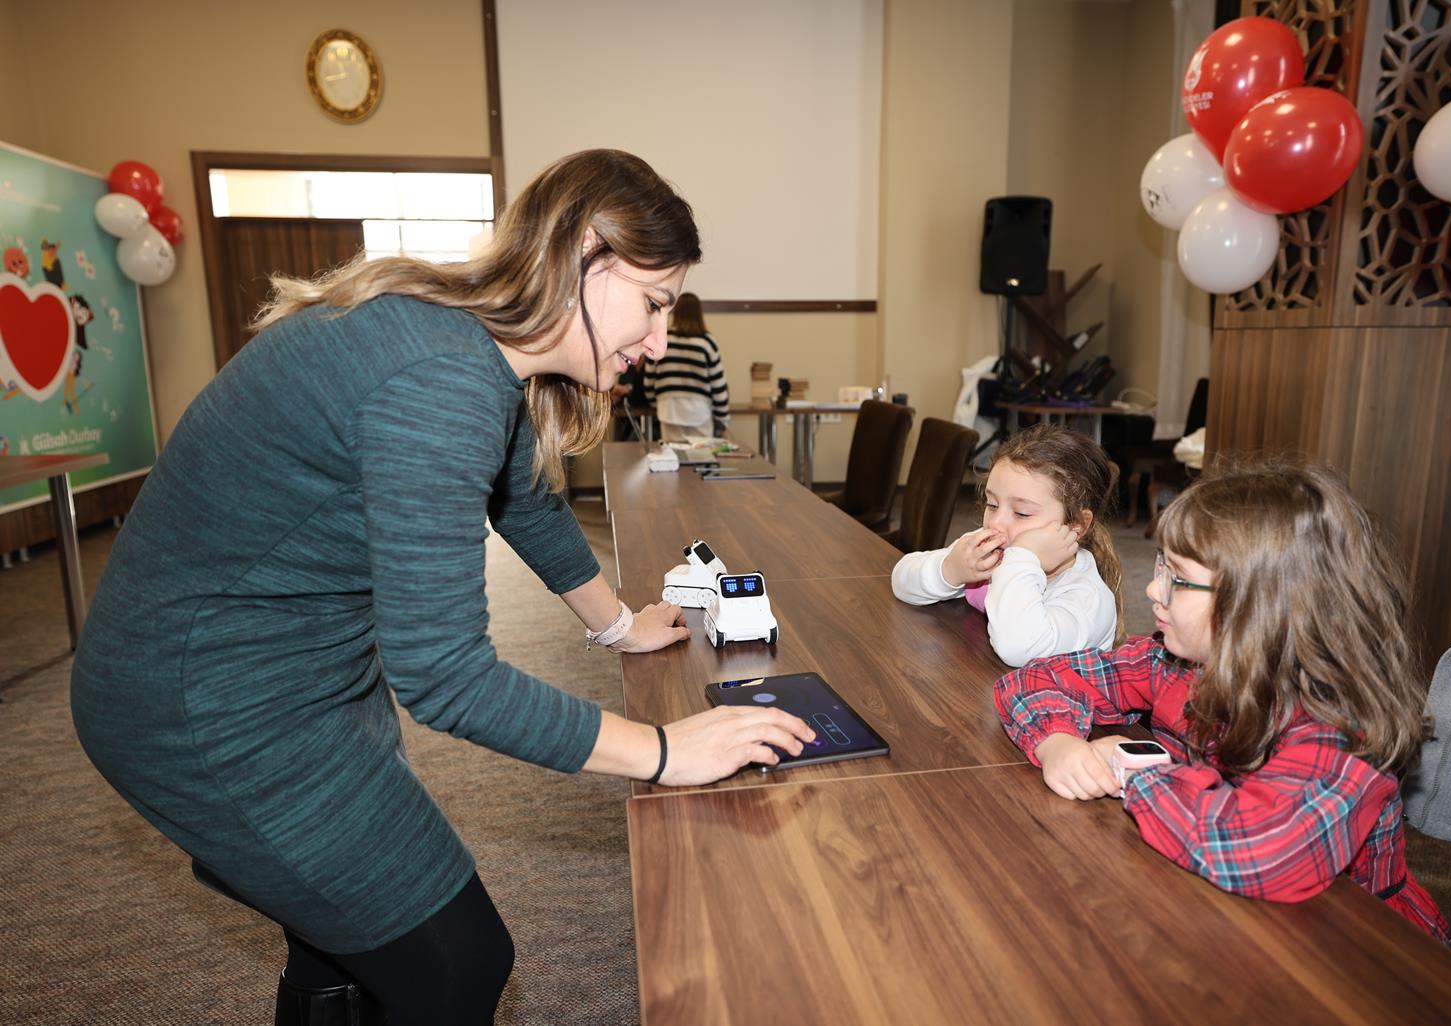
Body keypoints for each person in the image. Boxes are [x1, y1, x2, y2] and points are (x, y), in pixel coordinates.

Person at [69, 149, 817, 1026]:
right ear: (584, 253)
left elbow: (521, 497)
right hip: (202, 704)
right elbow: (445, 675)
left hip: (277, 673)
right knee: (458, 964)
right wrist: (662, 752)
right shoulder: (442, 375)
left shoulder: (463, 341)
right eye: (653, 304)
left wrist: (616, 627)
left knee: (342, 934)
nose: (659, 340)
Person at [992, 457, 1451, 951]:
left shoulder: (1342, 730)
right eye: (1159, 568)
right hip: (1222, 916)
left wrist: (1131, 771)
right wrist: (1057, 741)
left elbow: (1258, 850)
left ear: (1259, 606)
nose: (1152, 589)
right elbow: (1035, 679)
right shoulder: (1174, 663)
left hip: (1364, 952)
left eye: (1178, 577)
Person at [890, 424, 1122, 666]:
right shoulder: (995, 552)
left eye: (1021, 513)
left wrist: (1022, 559)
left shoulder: (1088, 600)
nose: (996, 522)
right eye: (992, 505)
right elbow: (901, 579)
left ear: (1076, 525)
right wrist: (950, 570)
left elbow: (1018, 648)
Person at [642, 291, 729, 440]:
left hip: (669, 408)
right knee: (702, 459)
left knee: (672, 460)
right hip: (699, 412)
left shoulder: (664, 339)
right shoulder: (707, 342)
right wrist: (722, 419)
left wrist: (654, 401)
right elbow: (718, 384)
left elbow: (649, 377)